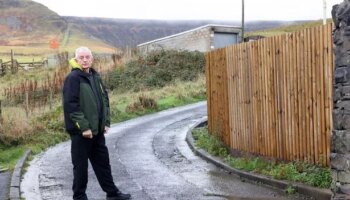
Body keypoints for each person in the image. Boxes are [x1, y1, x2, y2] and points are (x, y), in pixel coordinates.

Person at [62, 47, 131, 200]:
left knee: (103, 164)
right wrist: (84, 127)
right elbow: (71, 105)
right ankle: (79, 197)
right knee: (81, 168)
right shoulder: (73, 78)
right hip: (82, 133)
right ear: (76, 59)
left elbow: (104, 99)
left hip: (98, 131)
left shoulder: (95, 76)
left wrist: (106, 122)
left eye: (87, 57)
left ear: (92, 59)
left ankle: (112, 194)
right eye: (81, 57)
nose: (85, 60)